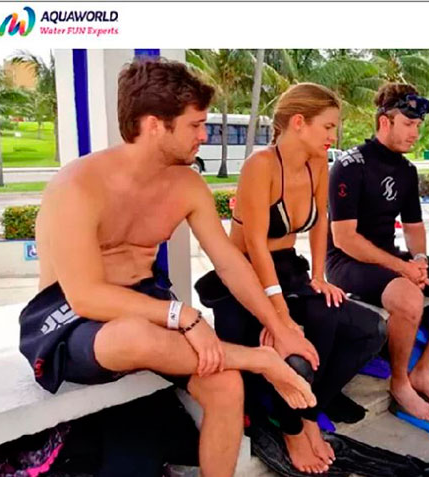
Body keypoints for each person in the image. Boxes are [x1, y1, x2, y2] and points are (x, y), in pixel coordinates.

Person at [18, 58, 316, 477]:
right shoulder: (77, 186)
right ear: (155, 124)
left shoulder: (186, 185)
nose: (204, 134)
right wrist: (183, 315)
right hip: (68, 315)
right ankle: (256, 360)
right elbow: (85, 294)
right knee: (135, 335)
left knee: (225, 385)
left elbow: (230, 263)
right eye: (195, 125)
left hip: (146, 299)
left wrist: (280, 325)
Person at [195, 83, 386, 474]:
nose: (334, 136)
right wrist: (278, 316)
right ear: (299, 123)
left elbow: (321, 223)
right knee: (301, 345)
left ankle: (310, 411)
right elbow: (255, 246)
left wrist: (319, 275)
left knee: (370, 330)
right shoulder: (260, 166)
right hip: (245, 278)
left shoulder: (318, 164)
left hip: (290, 270)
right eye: (328, 127)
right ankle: (294, 428)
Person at [326, 83, 429, 422]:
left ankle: (423, 371)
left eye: (418, 126)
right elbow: (344, 239)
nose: (415, 133)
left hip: (387, 256)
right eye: (409, 124)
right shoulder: (351, 166)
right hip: (346, 261)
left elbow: (412, 227)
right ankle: (399, 383)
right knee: (409, 298)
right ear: (385, 122)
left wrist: (420, 261)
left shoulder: (407, 171)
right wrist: (403, 269)